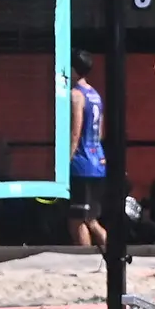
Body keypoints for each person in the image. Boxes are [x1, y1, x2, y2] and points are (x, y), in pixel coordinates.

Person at [67, 50, 107, 249]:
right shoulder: (95, 94)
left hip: (81, 164)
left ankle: (86, 261)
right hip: (97, 160)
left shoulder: (76, 95)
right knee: (91, 219)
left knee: (78, 221)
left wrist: (68, 158)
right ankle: (112, 254)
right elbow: (100, 132)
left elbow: (76, 131)